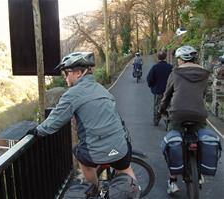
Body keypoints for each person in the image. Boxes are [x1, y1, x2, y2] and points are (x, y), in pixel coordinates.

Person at [28, 52, 140, 197]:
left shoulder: (73, 94)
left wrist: (37, 131)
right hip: (121, 144)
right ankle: (136, 190)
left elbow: (54, 121)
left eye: (66, 73)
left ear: (78, 73)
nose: (65, 77)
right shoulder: (101, 88)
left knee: (79, 153)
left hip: (98, 151)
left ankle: (95, 189)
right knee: (125, 168)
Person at [159, 45, 210, 194]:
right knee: (201, 138)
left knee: (173, 142)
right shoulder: (204, 73)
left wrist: (161, 110)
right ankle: (199, 173)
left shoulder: (175, 73)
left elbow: (167, 95)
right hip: (199, 114)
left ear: (180, 59)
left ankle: (173, 181)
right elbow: (204, 93)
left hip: (177, 114)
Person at [147, 51, 173, 126]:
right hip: (169, 91)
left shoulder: (155, 68)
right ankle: (168, 119)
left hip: (158, 91)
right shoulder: (170, 67)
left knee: (157, 106)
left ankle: (156, 121)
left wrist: (151, 86)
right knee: (168, 105)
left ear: (158, 57)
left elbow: (149, 78)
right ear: (165, 57)